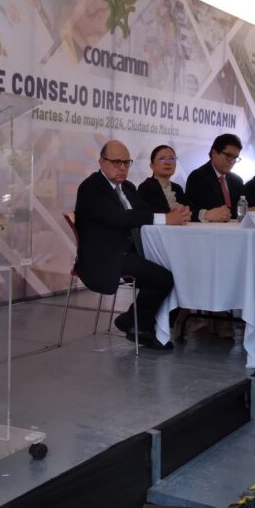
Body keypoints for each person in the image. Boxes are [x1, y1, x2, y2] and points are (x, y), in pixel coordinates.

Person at [74, 140, 191, 350]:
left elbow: (144, 210)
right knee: (162, 277)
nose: (122, 168)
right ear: (101, 162)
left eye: (126, 163)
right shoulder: (91, 188)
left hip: (129, 250)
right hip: (104, 256)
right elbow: (119, 218)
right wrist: (166, 219)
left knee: (174, 268)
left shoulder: (127, 187)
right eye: (116, 162)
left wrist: (173, 214)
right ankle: (139, 326)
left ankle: (134, 321)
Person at [185, 133, 245, 222]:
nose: (231, 161)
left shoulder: (237, 181)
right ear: (214, 152)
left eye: (235, 157)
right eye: (228, 155)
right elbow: (190, 211)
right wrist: (207, 215)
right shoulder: (197, 177)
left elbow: (240, 210)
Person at [137, 144, 190, 213]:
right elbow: (148, 213)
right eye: (162, 159)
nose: (167, 162)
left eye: (171, 159)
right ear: (152, 165)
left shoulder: (178, 188)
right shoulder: (146, 187)